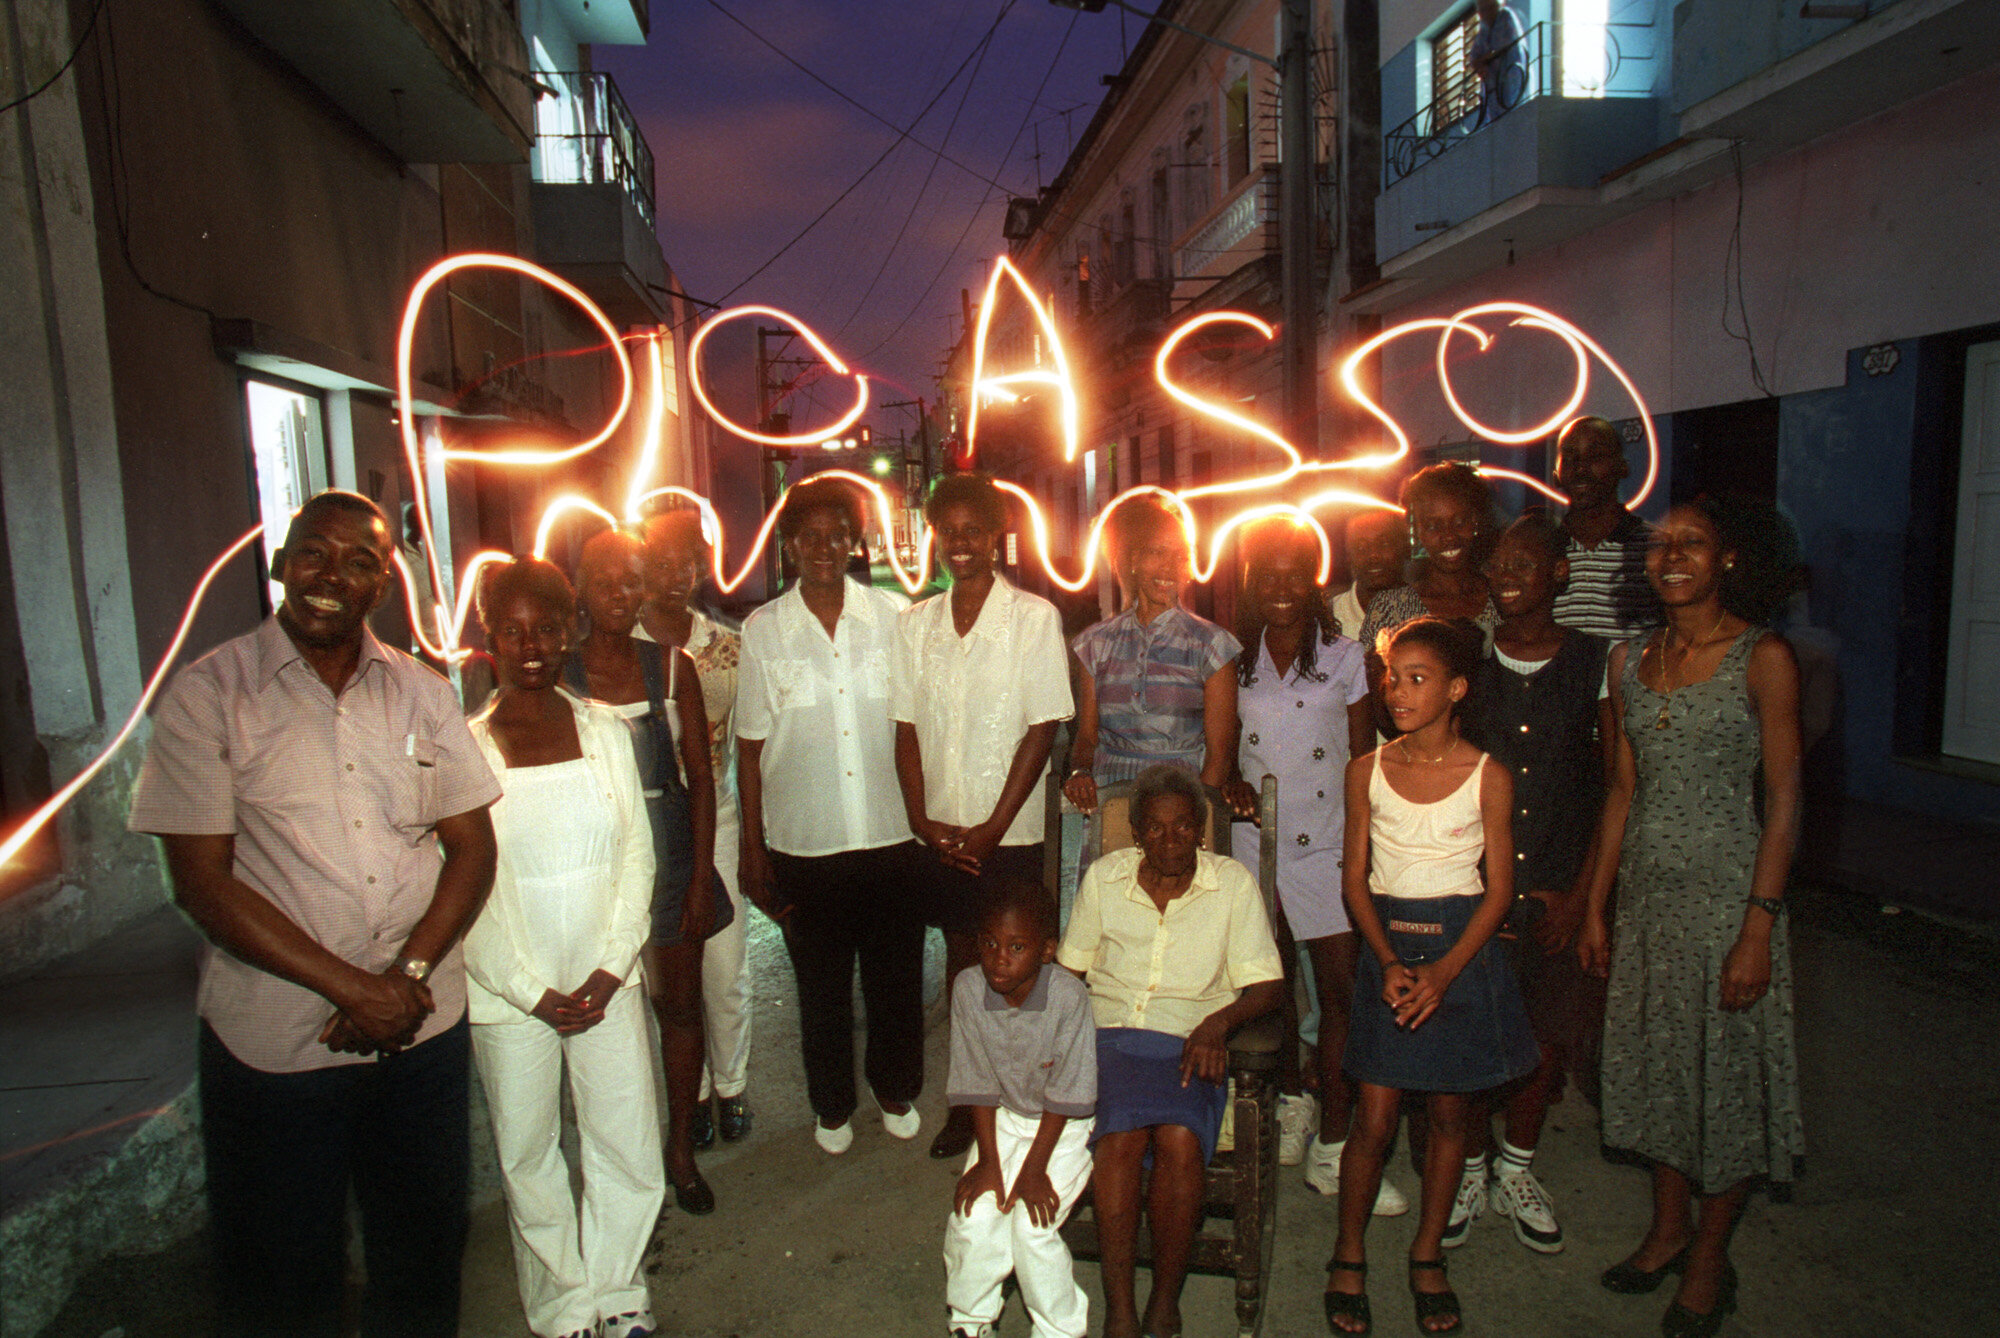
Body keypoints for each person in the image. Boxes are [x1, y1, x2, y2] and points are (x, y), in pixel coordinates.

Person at [128, 490, 500, 1337]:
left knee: (423, 1257)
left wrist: (402, 980)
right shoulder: (207, 696)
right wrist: (349, 988)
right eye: (312, 553)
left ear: (383, 587)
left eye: (359, 561)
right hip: (276, 1050)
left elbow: (471, 851)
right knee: (280, 1280)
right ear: (279, 564)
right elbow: (202, 884)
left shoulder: (422, 692)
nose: (331, 576)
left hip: (420, 1037)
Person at [1579, 497, 1805, 1338]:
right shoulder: (1629, 660)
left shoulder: (1762, 656)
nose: (1672, 555)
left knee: (1727, 1079)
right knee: (1660, 1068)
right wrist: (1598, 907)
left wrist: (1759, 926)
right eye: (1660, 543)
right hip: (1648, 901)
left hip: (1728, 901)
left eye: (1693, 542)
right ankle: (1667, 1230)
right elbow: (1622, 791)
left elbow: (1783, 798)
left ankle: (1710, 1260)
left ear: (1727, 559)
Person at [464, 559, 662, 1338]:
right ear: (490, 639)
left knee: (624, 1136)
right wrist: (527, 988)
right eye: (512, 631)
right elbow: (466, 885)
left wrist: (613, 968)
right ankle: (561, 1308)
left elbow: (637, 858)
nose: (532, 646)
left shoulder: (607, 734)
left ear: (570, 630)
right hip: (512, 991)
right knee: (528, 1153)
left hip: (603, 977)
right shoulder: (464, 750)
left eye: (547, 628)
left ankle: (619, 1292)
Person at [1324, 618, 1537, 1336]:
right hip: (1389, 941)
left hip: (1461, 947)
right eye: (1392, 678)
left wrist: (1444, 973)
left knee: (1450, 1116)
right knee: (1375, 1118)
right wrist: (1387, 962)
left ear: (1456, 690)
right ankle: (1347, 1252)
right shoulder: (1367, 771)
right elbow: (1354, 881)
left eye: (1417, 679)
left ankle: (1426, 1254)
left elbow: (1499, 889)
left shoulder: (1488, 776)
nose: (1398, 692)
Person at [1222, 519, 1408, 1217]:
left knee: (1340, 993)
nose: (1279, 588)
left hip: (1329, 842)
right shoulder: (1231, 657)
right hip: (1255, 843)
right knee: (1270, 988)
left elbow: (1363, 761)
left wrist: (1363, 852)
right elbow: (1222, 752)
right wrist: (1229, 789)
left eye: (1292, 574)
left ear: (1313, 579)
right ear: (1248, 582)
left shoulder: (1347, 656)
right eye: (1264, 575)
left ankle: (1335, 1143)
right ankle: (1293, 1106)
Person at [1059, 766, 1284, 1338]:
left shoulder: (1231, 883)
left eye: (1183, 827)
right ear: (1136, 832)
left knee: (1180, 1139)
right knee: (1121, 1140)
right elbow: (1068, 973)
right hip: (1110, 1035)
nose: (1169, 840)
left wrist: (1219, 1023)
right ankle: (1120, 1308)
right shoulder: (1106, 879)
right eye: (1155, 829)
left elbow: (1267, 986)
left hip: (1191, 1042)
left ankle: (1165, 1298)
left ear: (1201, 830)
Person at [736, 475, 925, 1153]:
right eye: (808, 535)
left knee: (895, 978)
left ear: (855, 543)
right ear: (787, 545)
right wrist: (753, 849)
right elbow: (750, 747)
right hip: (803, 843)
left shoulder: (895, 618)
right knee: (821, 989)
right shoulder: (762, 632)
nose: (823, 546)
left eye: (836, 535)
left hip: (890, 833)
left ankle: (896, 1085)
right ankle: (833, 1103)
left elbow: (915, 729)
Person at [893, 472, 1074, 1162]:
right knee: (964, 968)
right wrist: (921, 819)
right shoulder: (915, 625)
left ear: (996, 535)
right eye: (949, 530)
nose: (960, 543)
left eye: (974, 530)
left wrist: (995, 826)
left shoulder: (1033, 618)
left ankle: (1022, 1103)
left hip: (1010, 834)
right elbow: (905, 729)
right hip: (941, 832)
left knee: (1017, 969)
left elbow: (1043, 726)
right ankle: (970, 1107)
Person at [1449, 513, 1613, 1257]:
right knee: (1475, 1033)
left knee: (1544, 1037)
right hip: (1476, 888)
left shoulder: (1595, 662)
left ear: (1559, 574)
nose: (1507, 572)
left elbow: (1615, 788)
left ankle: (1518, 1165)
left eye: (1526, 560)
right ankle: (1472, 1167)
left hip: (1556, 886)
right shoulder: (1470, 663)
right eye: (1498, 563)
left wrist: (1581, 899)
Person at [569, 526, 726, 1215]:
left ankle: (680, 1152)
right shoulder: (558, 670)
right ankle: (620, 1163)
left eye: (631, 579)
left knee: (680, 1007)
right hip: (590, 859)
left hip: (667, 852)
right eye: (605, 579)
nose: (620, 593)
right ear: (581, 585)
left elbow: (699, 777)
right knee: (606, 1014)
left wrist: (698, 880)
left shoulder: (668, 667)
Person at [637, 507, 756, 1148]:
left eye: (684, 563)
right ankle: (697, 1093)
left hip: (720, 816)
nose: (672, 575)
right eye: (658, 562)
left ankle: (732, 1084)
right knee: (666, 974)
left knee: (724, 962)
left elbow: (743, 745)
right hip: (645, 826)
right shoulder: (616, 647)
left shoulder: (728, 648)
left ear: (700, 568)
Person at [942, 877, 1098, 1338]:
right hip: (1004, 1120)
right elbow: (978, 1082)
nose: (998, 959)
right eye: (989, 943)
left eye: (1016, 947)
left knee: (1032, 1227)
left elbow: (1066, 1097)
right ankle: (970, 1322)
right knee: (974, 1215)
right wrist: (989, 1161)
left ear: (1047, 951)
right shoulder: (969, 989)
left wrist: (1033, 1170)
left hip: (1063, 1128)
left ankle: (1059, 1329)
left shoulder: (1069, 998)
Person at [1063, 497, 1241, 818]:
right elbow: (1086, 738)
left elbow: (1219, 757)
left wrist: (1191, 818)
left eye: (1180, 556)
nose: (1170, 567)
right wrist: (1079, 774)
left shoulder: (1213, 646)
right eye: (1156, 552)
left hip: (1182, 803)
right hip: (1108, 803)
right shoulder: (1095, 644)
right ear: (1132, 558)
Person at [1551, 416, 1661, 641]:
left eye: (1596, 456)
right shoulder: (1544, 546)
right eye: (1570, 457)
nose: (1581, 467)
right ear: (1556, 474)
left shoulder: (1654, 547)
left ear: (1622, 466)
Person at [1330, 509, 1410, 641]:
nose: (1373, 555)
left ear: (1403, 547)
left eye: (1383, 544)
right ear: (1348, 555)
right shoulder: (1330, 616)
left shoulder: (1426, 612)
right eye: (1361, 547)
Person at [1469, 0, 1527, 127]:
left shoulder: (1506, 17)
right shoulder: (1484, 28)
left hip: (1510, 74)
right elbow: (1473, 57)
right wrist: (1481, 63)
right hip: (1493, 84)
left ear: (1500, 5)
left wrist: (1485, 58)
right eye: (1483, 10)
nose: (1488, 13)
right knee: (1496, 121)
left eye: (1491, 7)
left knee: (1512, 112)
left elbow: (1504, 47)